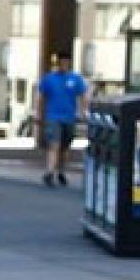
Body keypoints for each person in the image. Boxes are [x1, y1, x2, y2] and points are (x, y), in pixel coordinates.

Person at [36, 54, 88, 187]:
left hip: (69, 118)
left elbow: (83, 96)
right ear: (57, 64)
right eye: (62, 63)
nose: (64, 65)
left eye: (66, 62)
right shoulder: (49, 79)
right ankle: (49, 172)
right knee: (54, 144)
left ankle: (61, 171)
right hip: (53, 117)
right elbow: (41, 98)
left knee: (65, 147)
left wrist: (83, 112)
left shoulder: (76, 79)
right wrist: (39, 114)